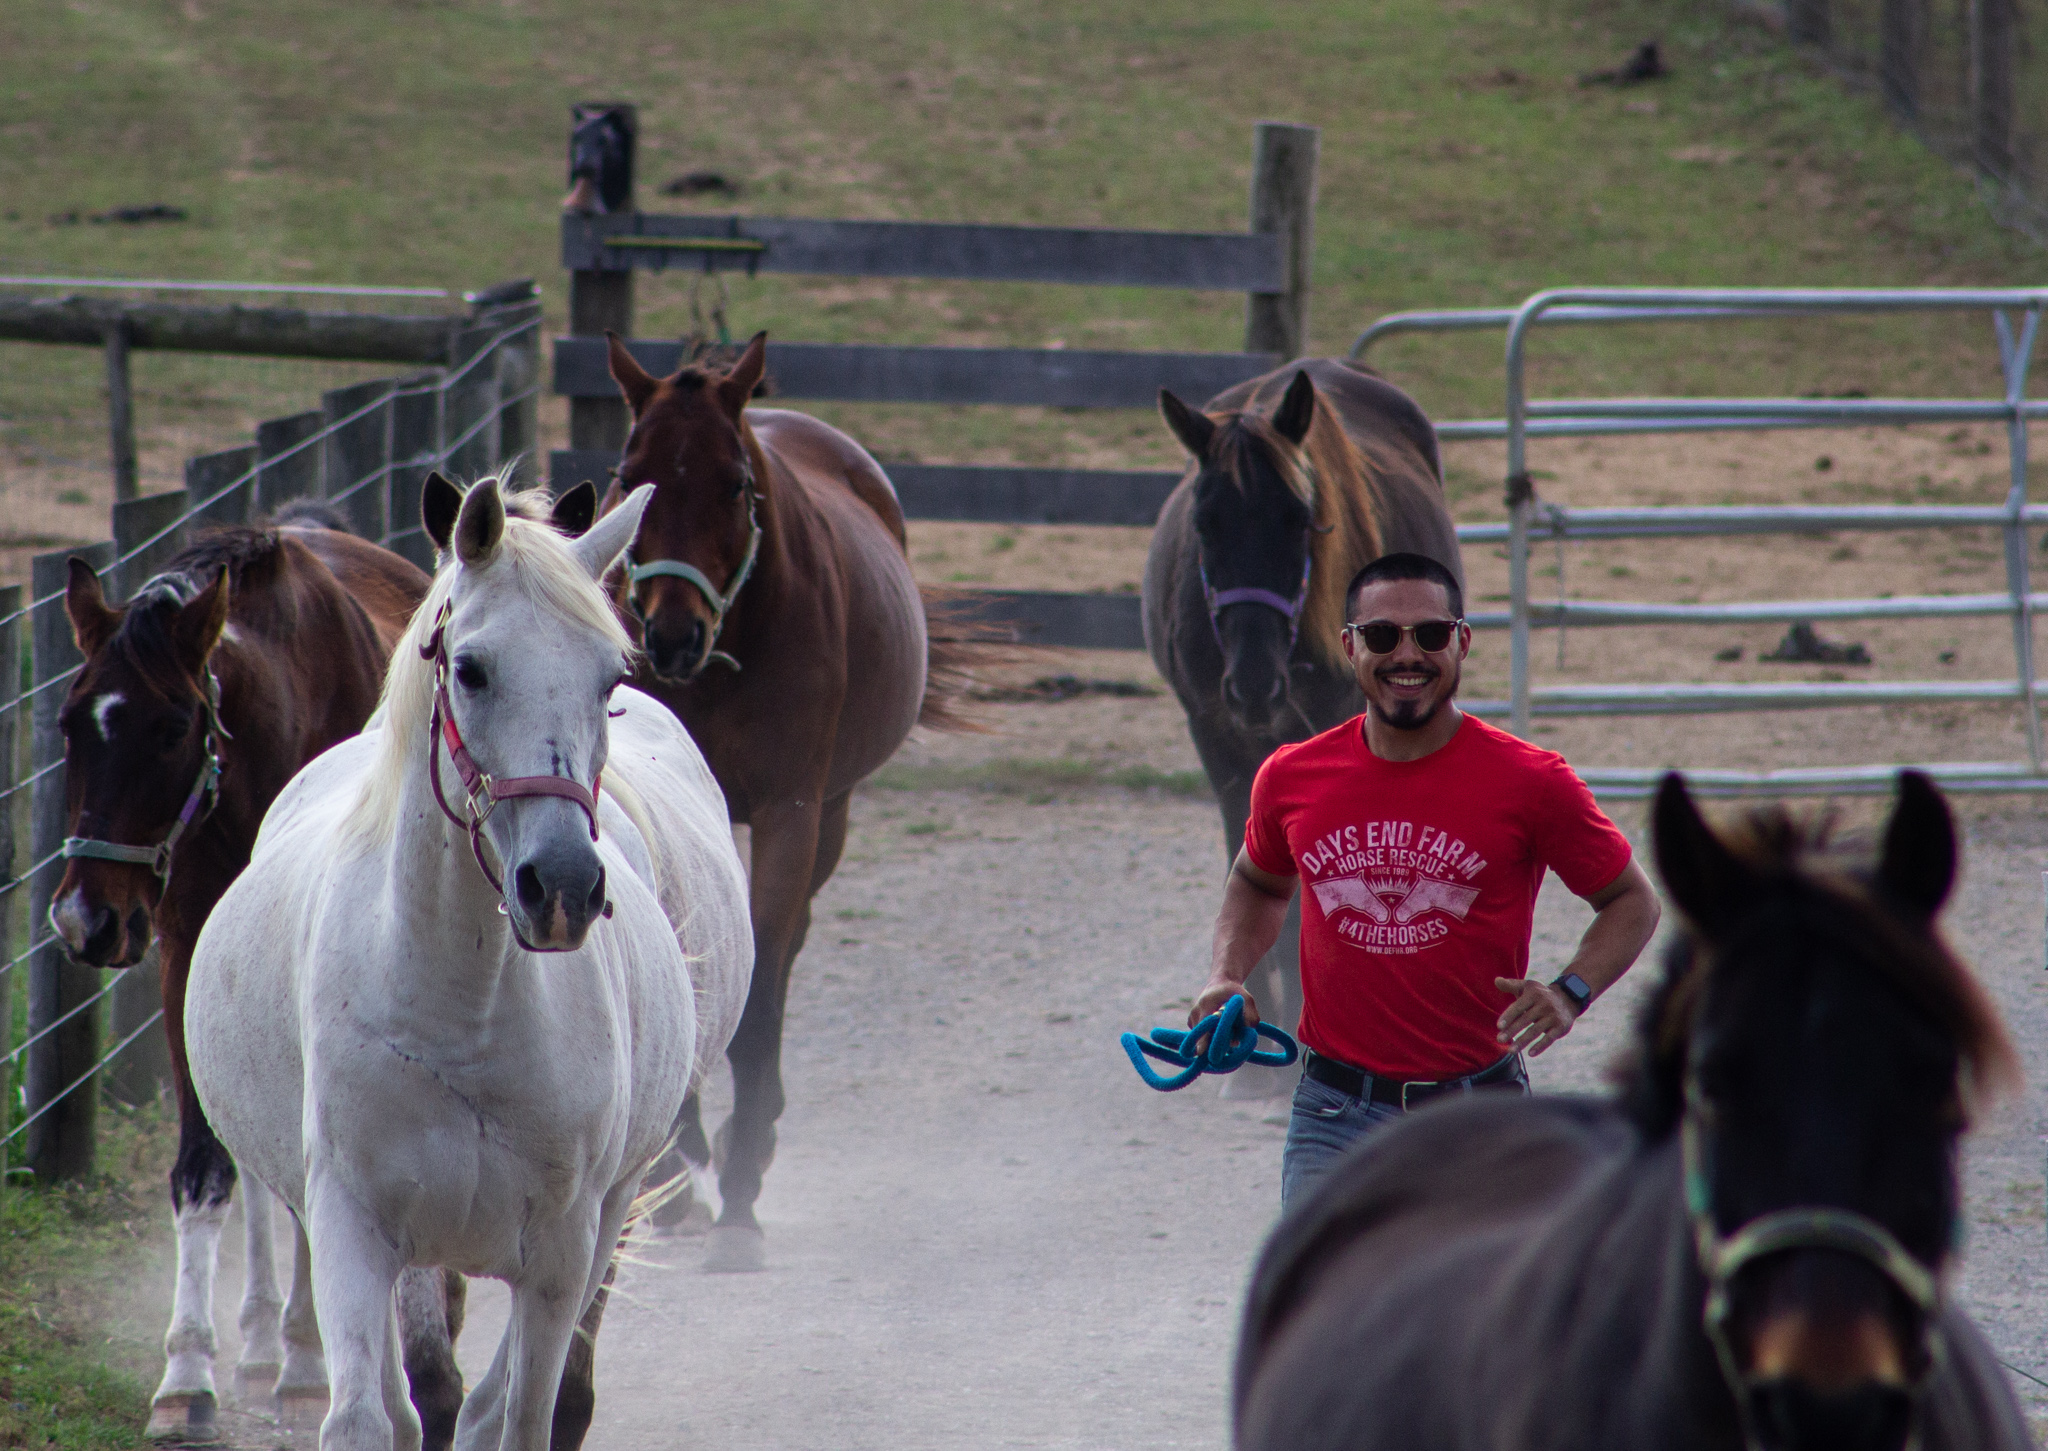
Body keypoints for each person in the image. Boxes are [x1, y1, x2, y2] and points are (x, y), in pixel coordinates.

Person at [1188, 552, 1662, 1208]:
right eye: (1382, 636)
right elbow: (1258, 881)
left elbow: (1632, 900)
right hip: (1334, 1115)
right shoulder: (1291, 777)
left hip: (1482, 1116)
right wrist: (1226, 976)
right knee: (1319, 1304)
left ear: (1462, 641)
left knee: (1492, 1308)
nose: (1406, 654)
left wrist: (1570, 991)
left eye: (1430, 634)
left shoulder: (1532, 782)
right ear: (1349, 647)